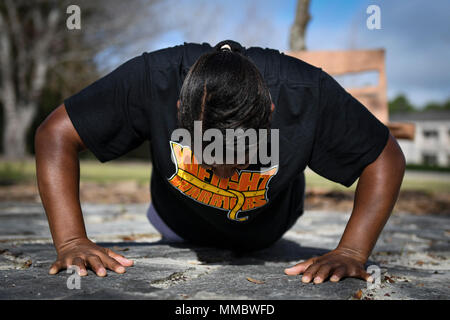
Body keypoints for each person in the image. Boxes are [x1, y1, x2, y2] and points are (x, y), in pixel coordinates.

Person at [35, 39, 405, 284]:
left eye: (242, 157)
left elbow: (384, 156)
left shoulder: (305, 92)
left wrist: (353, 251)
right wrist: (71, 240)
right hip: (175, 224)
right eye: (210, 158)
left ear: (270, 113)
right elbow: (56, 134)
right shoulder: (154, 79)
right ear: (180, 111)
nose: (226, 175)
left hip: (268, 230)